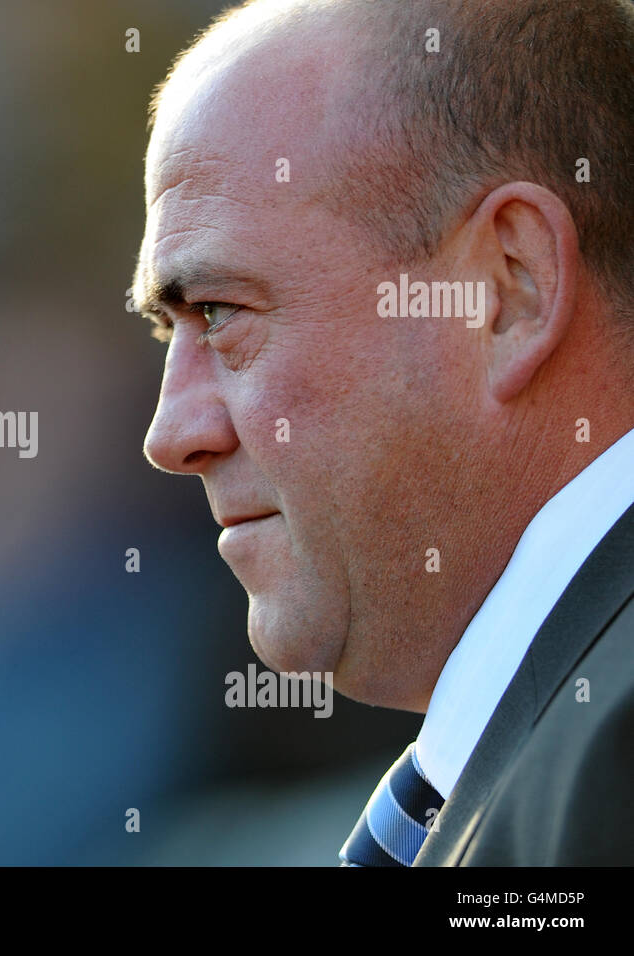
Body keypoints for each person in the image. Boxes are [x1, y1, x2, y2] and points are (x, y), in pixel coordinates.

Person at [132, 0, 634, 865]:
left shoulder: (607, 771)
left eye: (219, 311)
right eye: (167, 330)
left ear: (509, 289)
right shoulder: (562, 754)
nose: (172, 434)